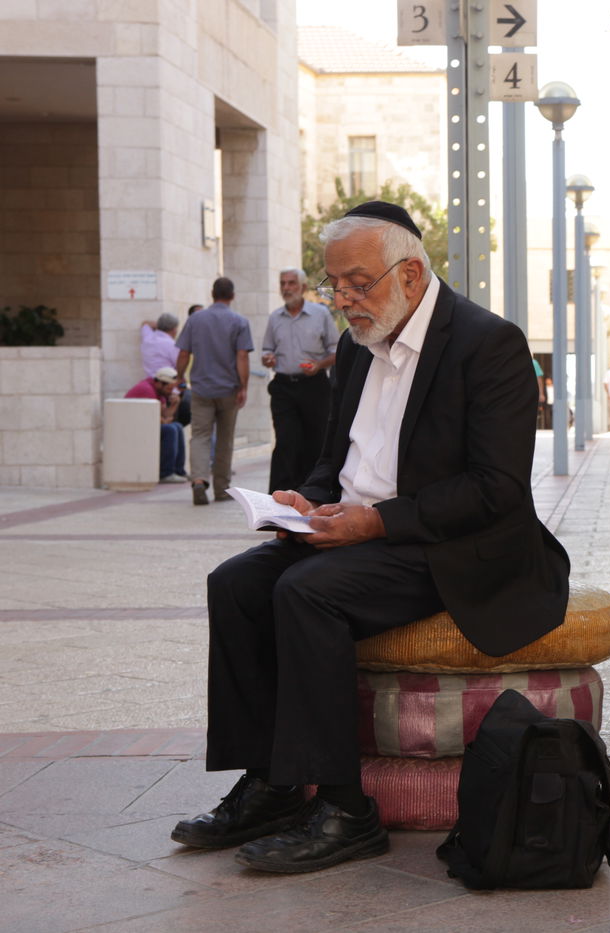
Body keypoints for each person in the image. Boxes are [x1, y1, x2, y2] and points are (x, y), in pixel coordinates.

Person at [170, 201, 570, 875]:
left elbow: (496, 488)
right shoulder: (357, 347)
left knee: (307, 593)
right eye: (336, 285)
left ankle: (346, 808)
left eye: (359, 283)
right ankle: (270, 783)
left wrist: (375, 522)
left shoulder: (488, 344)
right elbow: (338, 463)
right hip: (363, 532)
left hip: (448, 544)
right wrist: (310, 500)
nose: (345, 300)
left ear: (410, 274)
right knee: (235, 584)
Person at [175, 277, 252, 506]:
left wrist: (180, 376)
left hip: (201, 388)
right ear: (232, 295)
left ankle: (199, 480)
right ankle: (221, 488)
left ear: (212, 294)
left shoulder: (195, 319)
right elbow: (242, 356)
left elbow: (183, 354)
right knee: (225, 439)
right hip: (229, 389)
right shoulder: (239, 321)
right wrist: (243, 386)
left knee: (200, 435)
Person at [262, 268, 339, 493]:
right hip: (283, 386)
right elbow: (267, 349)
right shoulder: (275, 317)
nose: (286, 288)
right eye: (283, 283)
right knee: (286, 442)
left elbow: (335, 351)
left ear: (303, 287)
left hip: (314, 387)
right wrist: (268, 358)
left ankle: (311, 494)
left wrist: (319, 365)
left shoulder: (321, 314)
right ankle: (278, 500)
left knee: (316, 442)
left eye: (291, 283)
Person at [125, 366, 187, 483]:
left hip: (146, 424)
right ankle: (165, 473)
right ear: (160, 383)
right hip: (133, 427)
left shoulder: (159, 391)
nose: (170, 392)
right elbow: (160, 420)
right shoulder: (146, 390)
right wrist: (164, 420)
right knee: (170, 430)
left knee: (177, 426)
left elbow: (166, 415)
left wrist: (175, 404)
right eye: (169, 388)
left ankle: (179, 471)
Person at [139, 313, 180, 378]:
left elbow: (145, 323)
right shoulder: (173, 345)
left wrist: (158, 325)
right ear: (174, 329)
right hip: (167, 383)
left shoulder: (147, 338)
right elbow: (180, 365)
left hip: (149, 381)